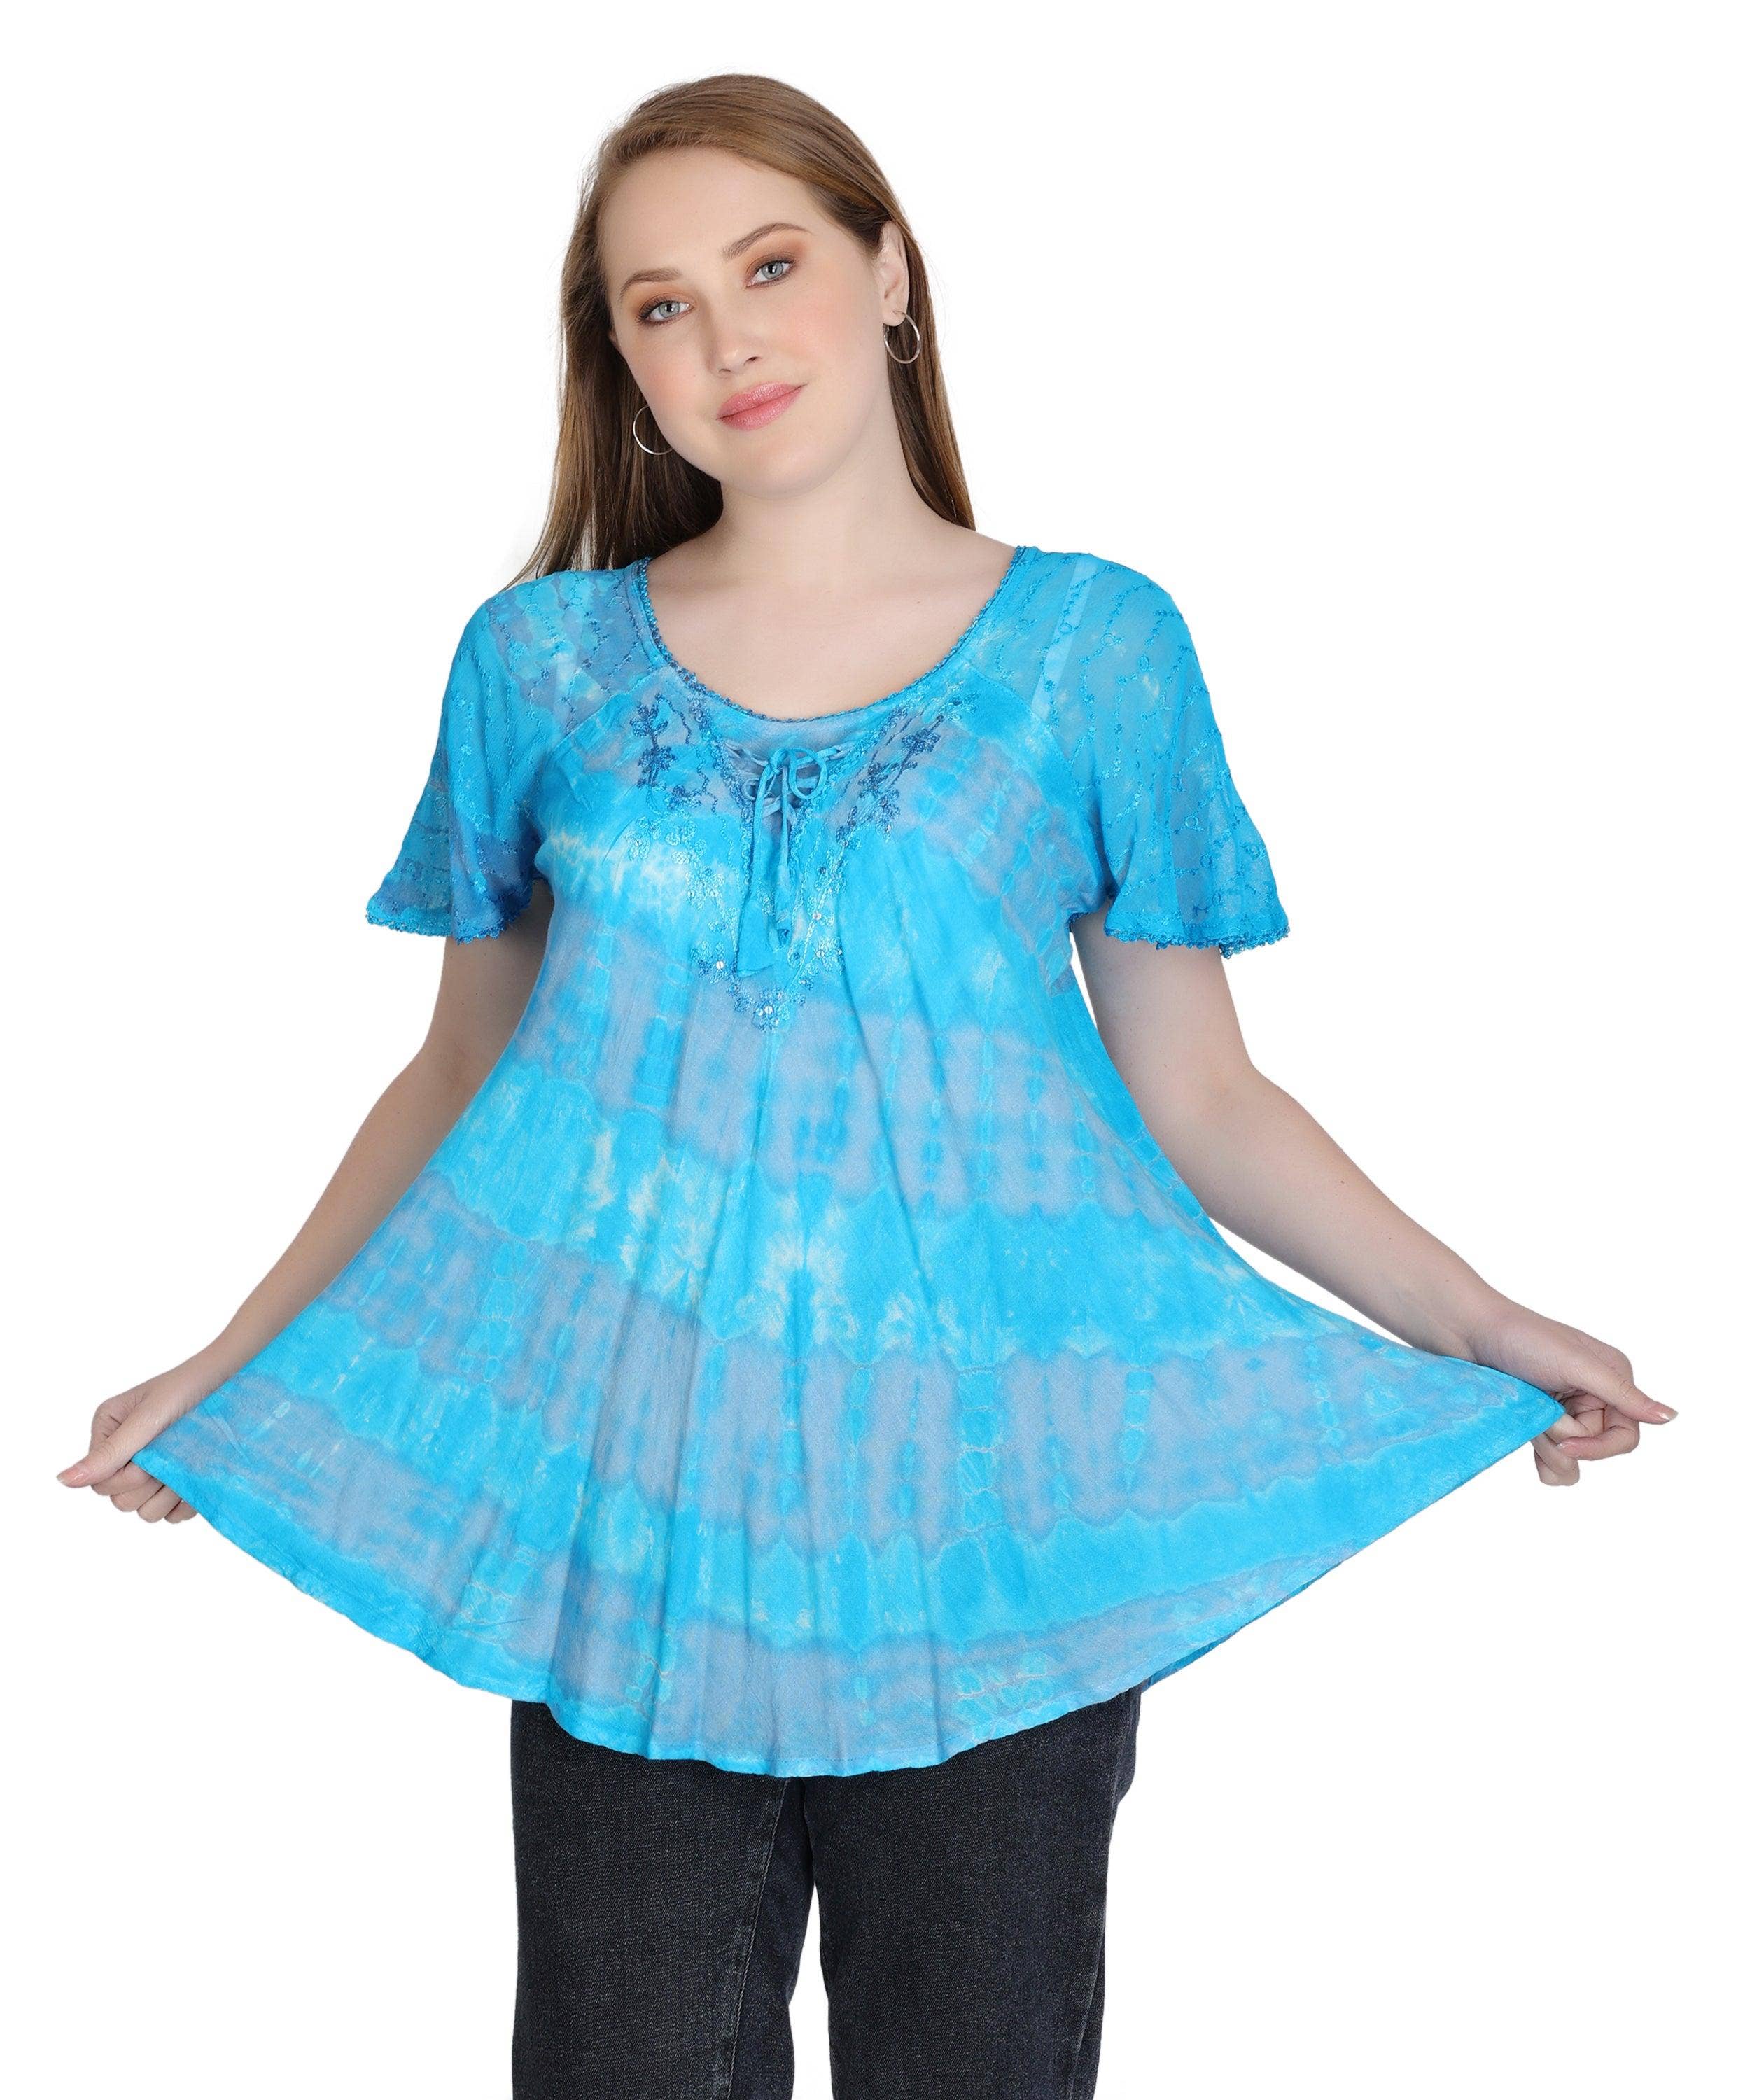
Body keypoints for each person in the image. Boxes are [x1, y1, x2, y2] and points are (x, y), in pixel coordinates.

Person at [58, 71, 1672, 2100]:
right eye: (658, 305)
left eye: (770, 266)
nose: (726, 339)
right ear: (619, 363)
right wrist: (233, 1366)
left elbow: (1204, 1098)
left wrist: (1485, 1322)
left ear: (889, 270)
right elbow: (459, 1069)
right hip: (634, 1545)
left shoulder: (1092, 650)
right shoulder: (534, 666)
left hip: (994, 1543)